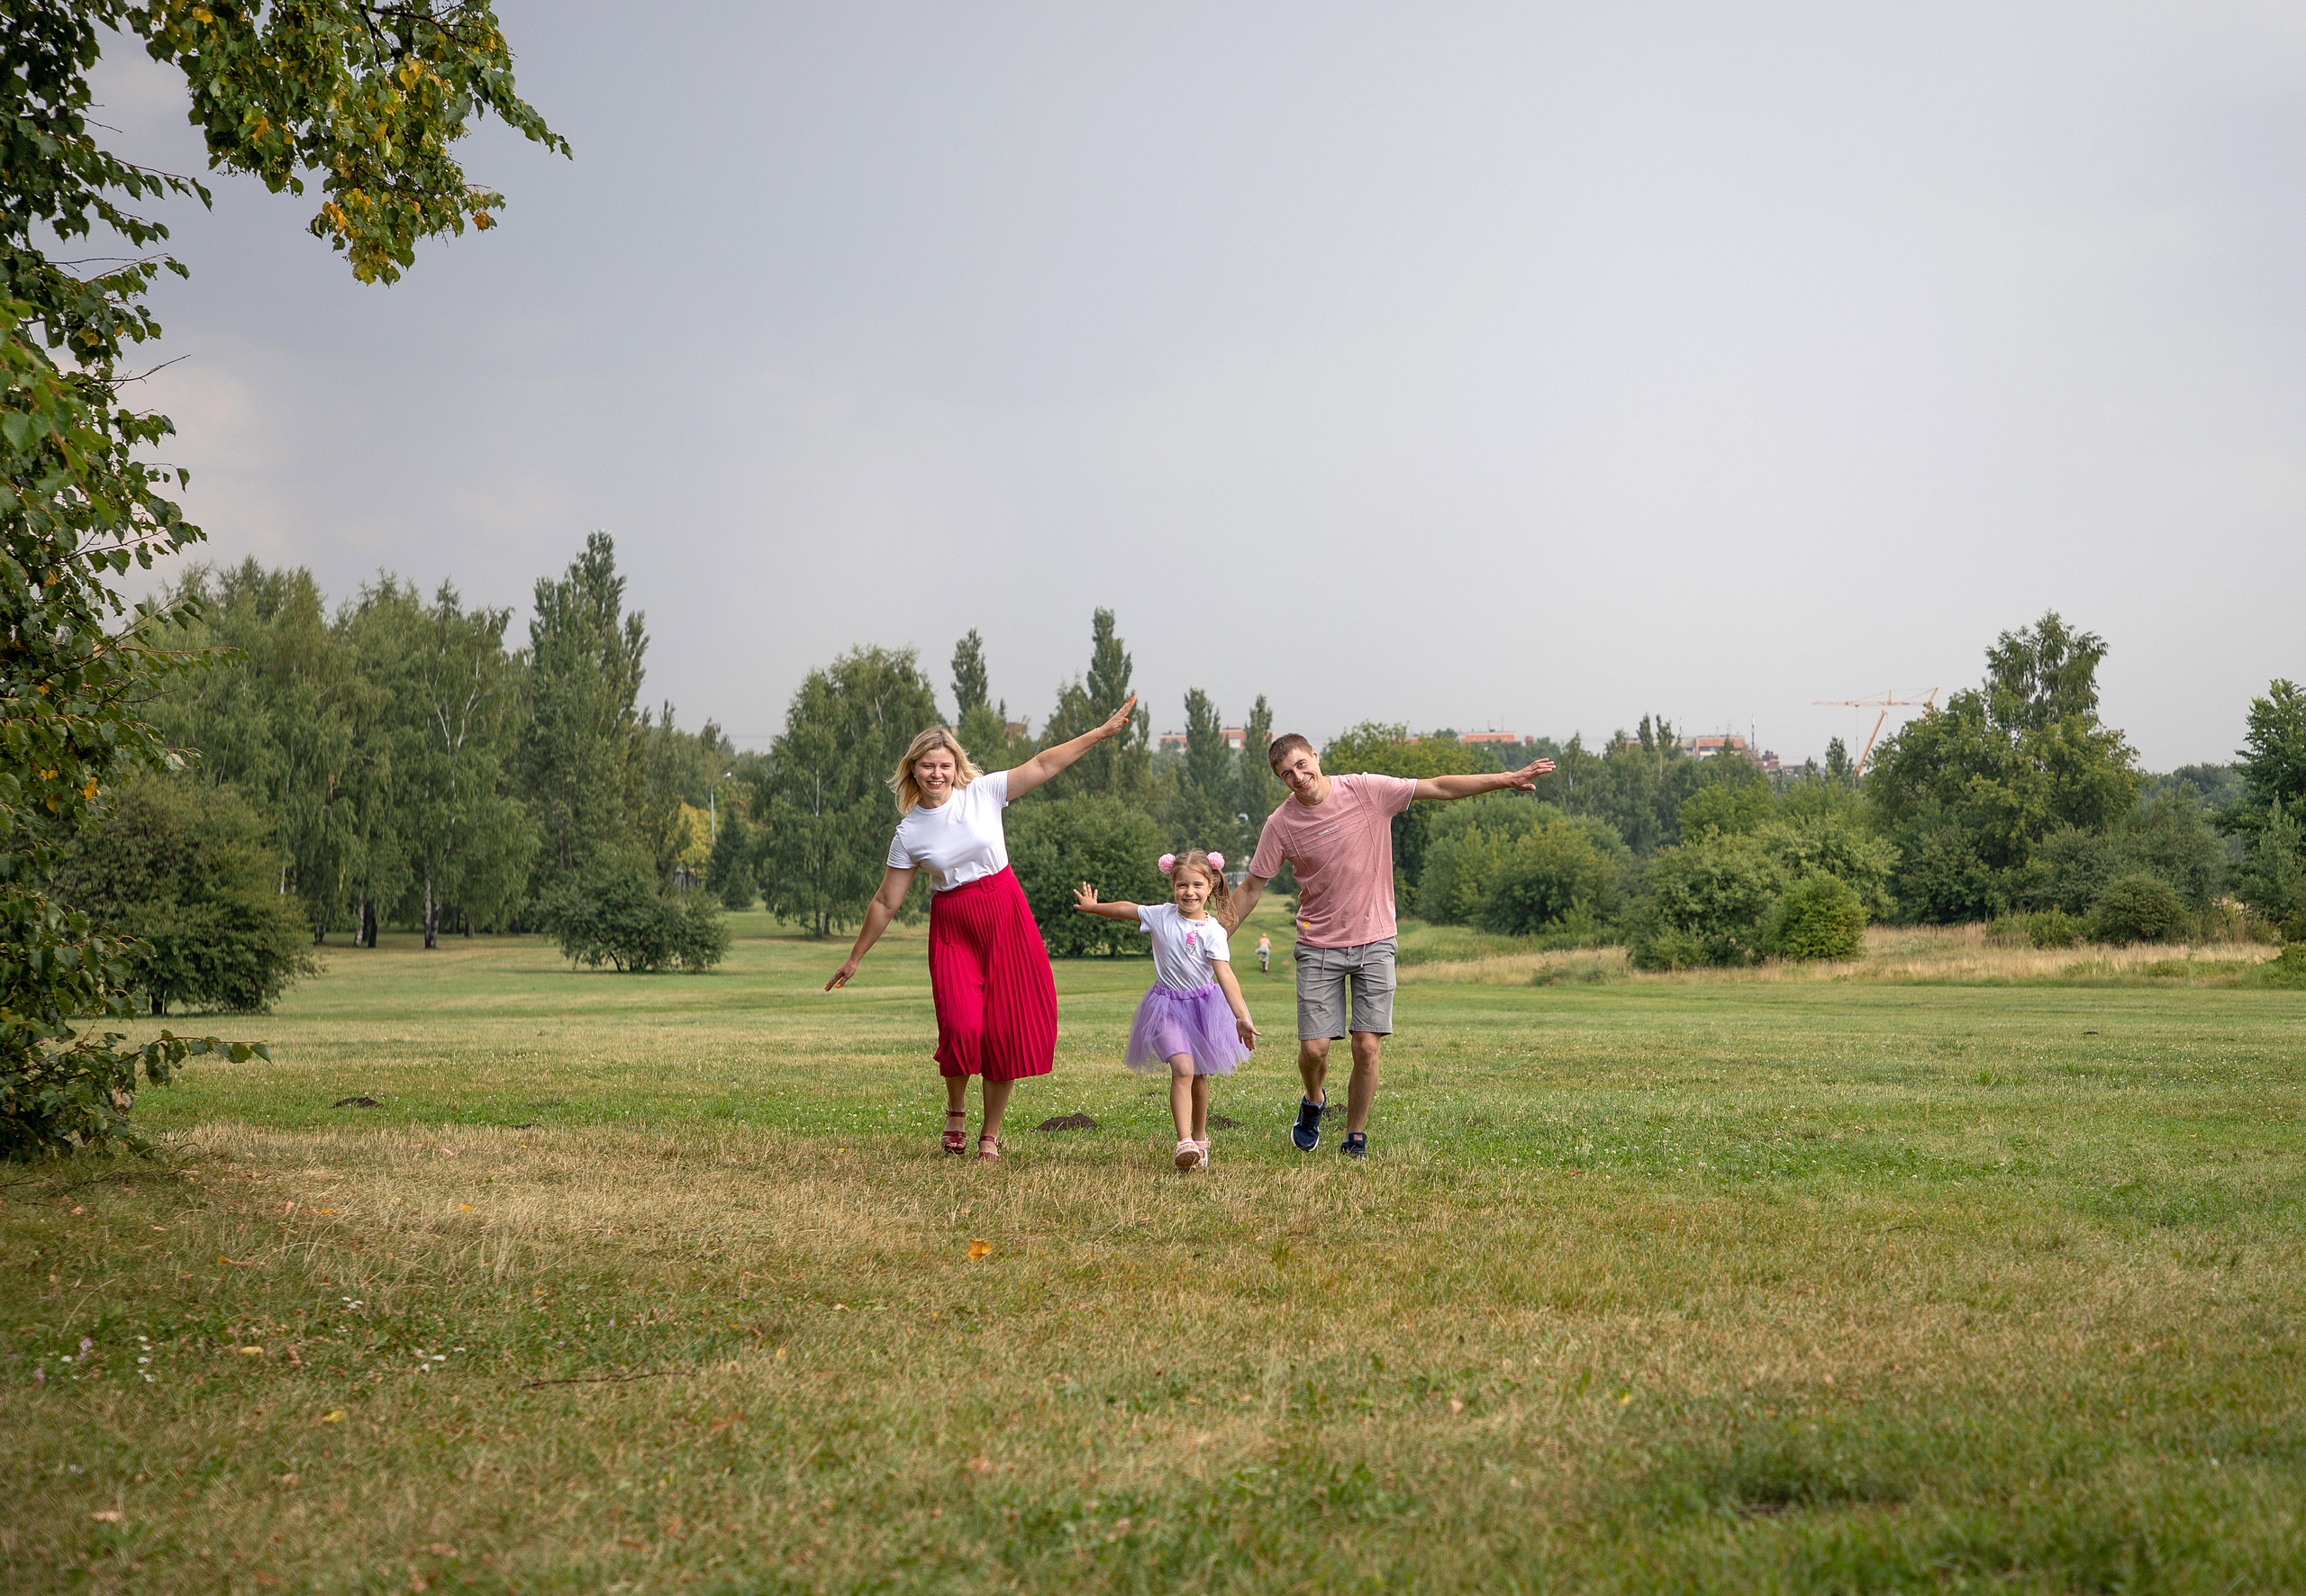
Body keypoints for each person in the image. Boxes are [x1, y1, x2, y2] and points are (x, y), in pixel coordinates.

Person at [826, 697, 1138, 1162]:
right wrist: (855, 957)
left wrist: (1100, 733)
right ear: (912, 771)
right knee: (961, 1026)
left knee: (1004, 1031)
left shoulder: (985, 792)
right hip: (954, 925)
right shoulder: (909, 832)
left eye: (945, 765)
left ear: (956, 766)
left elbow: (1043, 763)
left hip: (1005, 915)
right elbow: (886, 900)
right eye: (927, 766)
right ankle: (956, 1110)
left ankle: (989, 1135)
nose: (937, 774)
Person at [1219, 733, 1555, 1157]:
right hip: (1319, 944)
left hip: (1376, 939)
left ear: (1316, 757)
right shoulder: (1280, 824)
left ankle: (1354, 1134)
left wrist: (1506, 778)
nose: (1298, 777)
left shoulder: (1365, 790)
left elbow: (1438, 786)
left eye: (1302, 765)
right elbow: (1250, 888)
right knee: (1313, 1049)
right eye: (1286, 774)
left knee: (1367, 1046)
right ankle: (1315, 1101)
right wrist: (1213, 936)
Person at [1072, 849, 1257, 1172]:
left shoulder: (1213, 931)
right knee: (1183, 1069)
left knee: (1199, 1077)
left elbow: (1225, 975)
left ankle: (1200, 1140)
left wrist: (1241, 1016)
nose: (1189, 892)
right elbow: (1128, 909)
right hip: (1166, 1007)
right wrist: (1094, 908)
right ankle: (1184, 1141)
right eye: (1182, 885)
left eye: (1197, 884)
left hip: (1203, 1008)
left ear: (1210, 886)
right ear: (1172, 886)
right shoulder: (1161, 915)